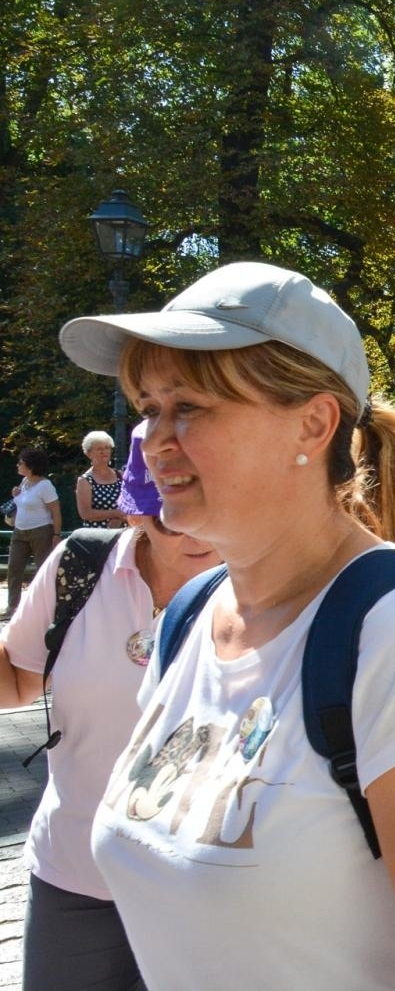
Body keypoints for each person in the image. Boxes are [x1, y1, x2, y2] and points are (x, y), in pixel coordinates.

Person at [62, 261, 395, 988]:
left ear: (312, 423)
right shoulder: (191, 614)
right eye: (148, 407)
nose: (152, 438)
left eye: (190, 407)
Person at [0, 421, 219, 990]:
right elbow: (17, 680)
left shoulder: (265, 587)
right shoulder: (82, 565)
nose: (191, 533)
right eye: (164, 516)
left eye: (209, 509)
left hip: (211, 892)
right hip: (74, 875)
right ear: (133, 508)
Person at [6, 448, 61, 618]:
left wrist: (56, 534)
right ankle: (12, 607)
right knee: (14, 569)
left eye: (21, 462)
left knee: (43, 570)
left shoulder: (45, 485)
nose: (18, 465)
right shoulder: (24, 482)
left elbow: (56, 511)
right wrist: (15, 494)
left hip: (41, 532)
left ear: (30, 466)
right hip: (19, 532)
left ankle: (44, 609)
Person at [76, 430, 126, 530]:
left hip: (123, 532)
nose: (104, 451)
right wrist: (115, 513)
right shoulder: (84, 480)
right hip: (97, 536)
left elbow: (131, 502)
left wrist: (120, 519)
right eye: (99, 449)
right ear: (88, 453)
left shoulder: (120, 475)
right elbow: (85, 513)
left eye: (107, 448)